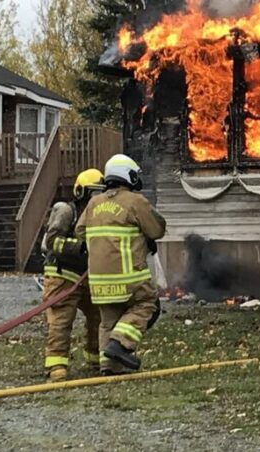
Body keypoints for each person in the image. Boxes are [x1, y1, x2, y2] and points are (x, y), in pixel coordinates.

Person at [76, 154, 165, 373]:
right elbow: (157, 230)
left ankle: (109, 366)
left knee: (108, 321)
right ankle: (120, 344)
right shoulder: (135, 202)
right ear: (128, 175)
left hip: (98, 281)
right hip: (129, 277)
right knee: (147, 304)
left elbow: (80, 232)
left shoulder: (94, 202)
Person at [41, 168, 105, 382]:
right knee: (61, 319)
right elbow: (52, 242)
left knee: (98, 315)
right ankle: (57, 364)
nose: (98, 199)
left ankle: (95, 358)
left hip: (87, 275)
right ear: (81, 192)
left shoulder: (99, 215)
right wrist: (81, 247)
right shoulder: (67, 211)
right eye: (94, 194)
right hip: (63, 275)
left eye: (102, 193)